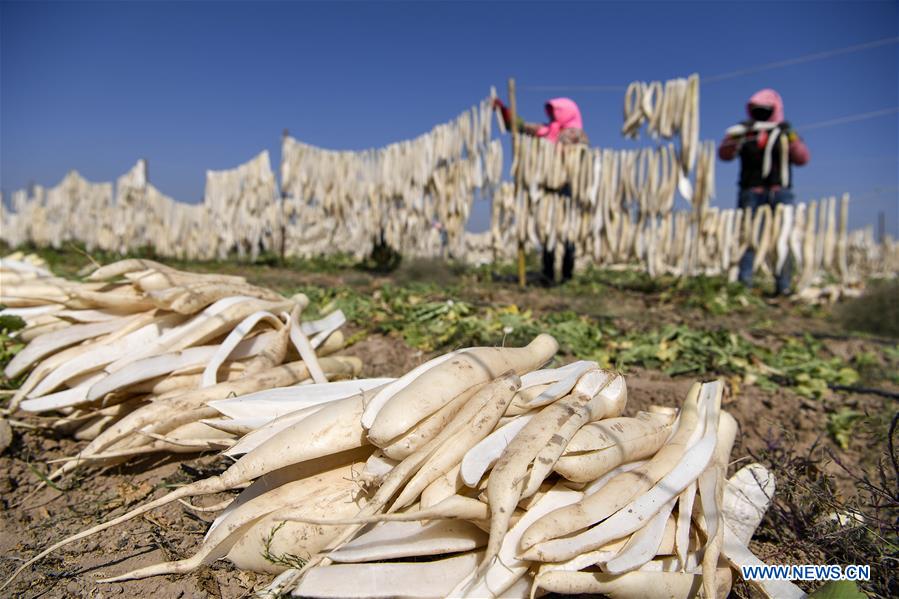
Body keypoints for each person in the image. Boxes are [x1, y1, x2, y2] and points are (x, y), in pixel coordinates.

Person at [719, 88, 809, 295]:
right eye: (757, 109)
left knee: (782, 239)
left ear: (775, 109)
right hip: (751, 192)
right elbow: (724, 155)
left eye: (766, 109)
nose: (761, 113)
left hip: (780, 192)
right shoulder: (746, 133)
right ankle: (744, 284)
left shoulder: (785, 134)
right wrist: (734, 136)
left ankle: (783, 286)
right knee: (748, 238)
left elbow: (802, 158)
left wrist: (792, 137)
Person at [493, 97, 589, 285]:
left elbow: (580, 162)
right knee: (547, 230)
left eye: (556, 112)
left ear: (568, 112)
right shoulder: (547, 131)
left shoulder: (577, 136)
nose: (553, 116)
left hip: (568, 190)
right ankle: (548, 273)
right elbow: (520, 127)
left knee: (567, 232)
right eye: (551, 112)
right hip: (547, 189)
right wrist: (503, 110)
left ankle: (567, 275)